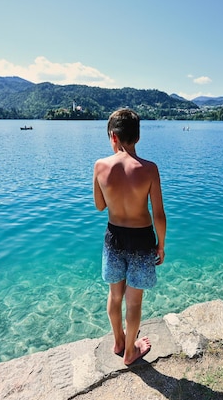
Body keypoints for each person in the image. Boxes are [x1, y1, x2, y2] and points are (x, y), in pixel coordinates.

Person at [93, 108, 166, 366]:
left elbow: (100, 206)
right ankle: (130, 353)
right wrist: (161, 245)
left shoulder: (101, 166)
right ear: (137, 137)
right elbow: (158, 213)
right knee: (133, 303)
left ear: (113, 136)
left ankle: (118, 341)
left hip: (114, 239)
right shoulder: (149, 169)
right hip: (142, 240)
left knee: (114, 296)